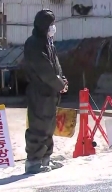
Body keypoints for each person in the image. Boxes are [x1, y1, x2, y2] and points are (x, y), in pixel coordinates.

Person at [23, 9, 68, 173]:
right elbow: (45, 71)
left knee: (49, 126)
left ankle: (45, 159)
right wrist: (59, 84)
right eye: (51, 24)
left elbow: (56, 66)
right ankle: (33, 162)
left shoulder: (48, 42)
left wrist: (62, 81)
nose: (53, 27)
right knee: (39, 126)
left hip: (50, 92)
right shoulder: (34, 43)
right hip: (39, 92)